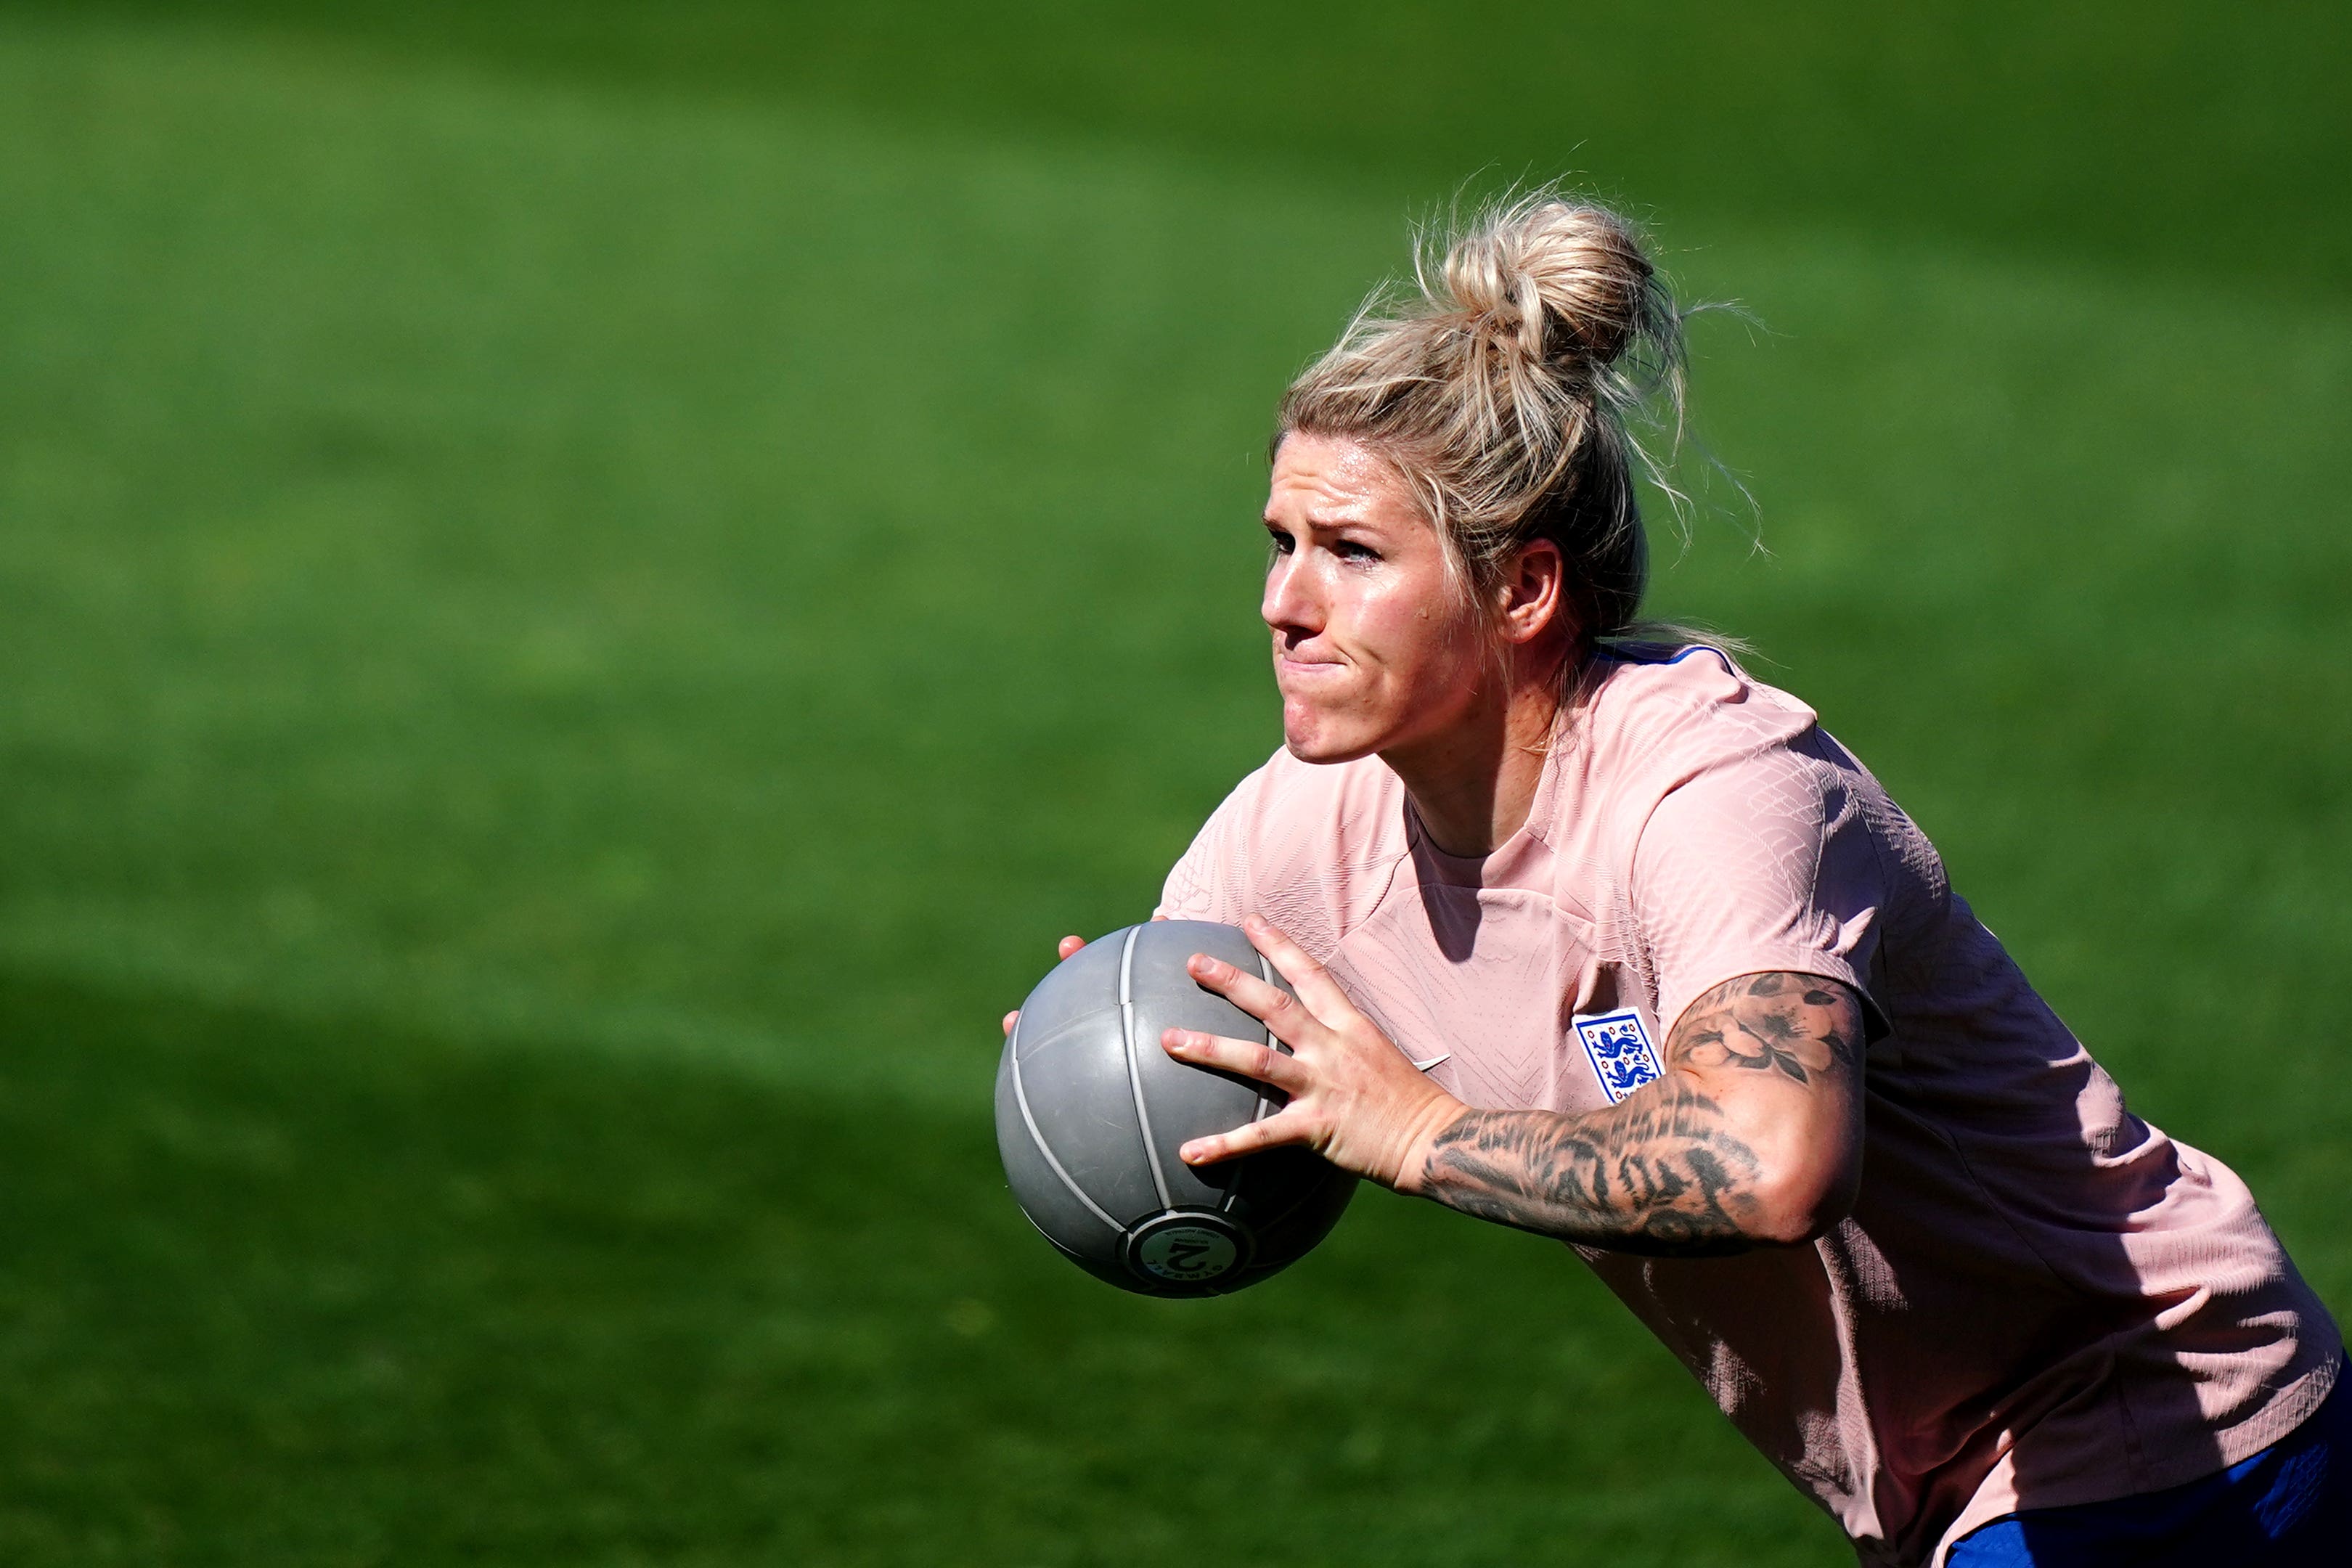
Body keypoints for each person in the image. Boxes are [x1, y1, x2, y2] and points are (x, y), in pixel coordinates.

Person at [1005, 192, 2343, 1565]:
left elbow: (1774, 1165)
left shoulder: (1713, 793)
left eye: (1352, 555)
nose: (1286, 603)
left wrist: (1418, 1133)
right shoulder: (1301, 830)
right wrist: (1092, 1058)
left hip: (2157, 1419)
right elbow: (1174, 1014)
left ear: (1524, 590)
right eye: (1281, 545)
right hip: (1947, 1481)